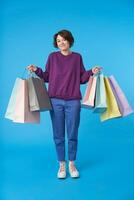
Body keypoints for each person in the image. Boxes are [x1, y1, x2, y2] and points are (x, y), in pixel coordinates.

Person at [27, 29, 102, 179]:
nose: (61, 43)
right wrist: (37, 70)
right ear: (56, 43)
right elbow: (47, 76)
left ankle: (72, 163)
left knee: (72, 134)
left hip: (73, 101)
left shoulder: (77, 57)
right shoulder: (52, 57)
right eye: (58, 41)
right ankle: (61, 164)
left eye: (64, 40)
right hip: (55, 100)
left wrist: (91, 72)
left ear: (70, 41)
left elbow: (81, 78)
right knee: (58, 135)